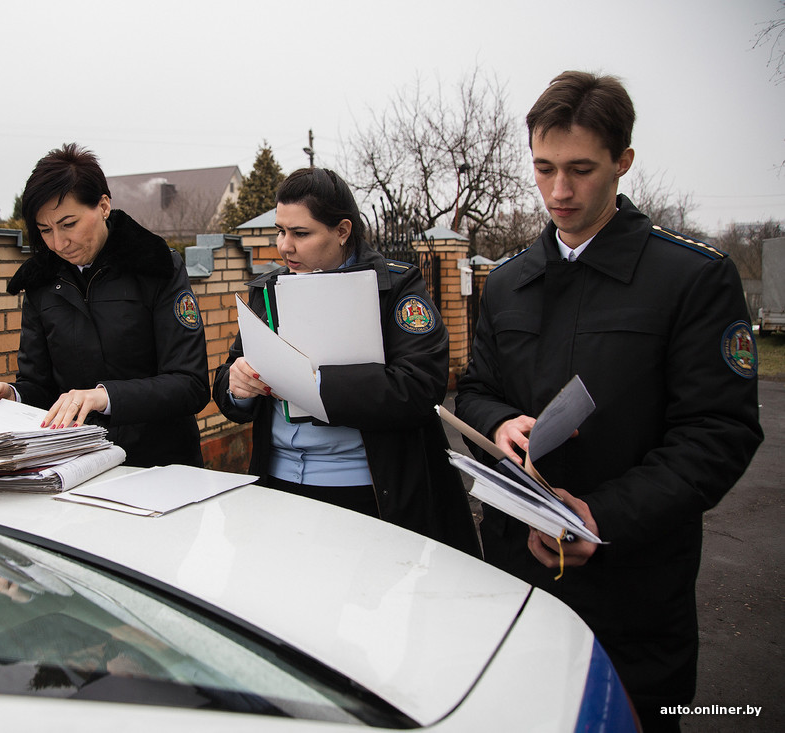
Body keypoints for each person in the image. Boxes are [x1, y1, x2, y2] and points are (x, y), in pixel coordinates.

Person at [454, 71, 763, 732]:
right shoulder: (507, 283)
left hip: (633, 590)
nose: (559, 191)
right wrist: (500, 421)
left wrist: (604, 516)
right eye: (543, 168)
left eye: (581, 169)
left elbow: (719, 431)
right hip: (517, 575)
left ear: (624, 161)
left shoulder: (692, 278)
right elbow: (476, 388)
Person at [213, 167, 480, 557]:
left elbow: (420, 387)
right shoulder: (267, 290)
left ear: (342, 231)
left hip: (366, 492)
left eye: (301, 233)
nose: (284, 247)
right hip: (277, 485)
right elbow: (230, 376)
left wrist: (313, 385)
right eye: (280, 231)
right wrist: (236, 386)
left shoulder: (395, 288)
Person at [0, 143, 209, 467]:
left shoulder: (156, 268)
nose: (58, 243)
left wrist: (103, 397)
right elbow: (39, 386)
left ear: (104, 206)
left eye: (68, 224)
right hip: (78, 467)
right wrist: (12, 396)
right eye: (45, 230)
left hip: (161, 466)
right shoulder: (41, 284)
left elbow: (190, 385)